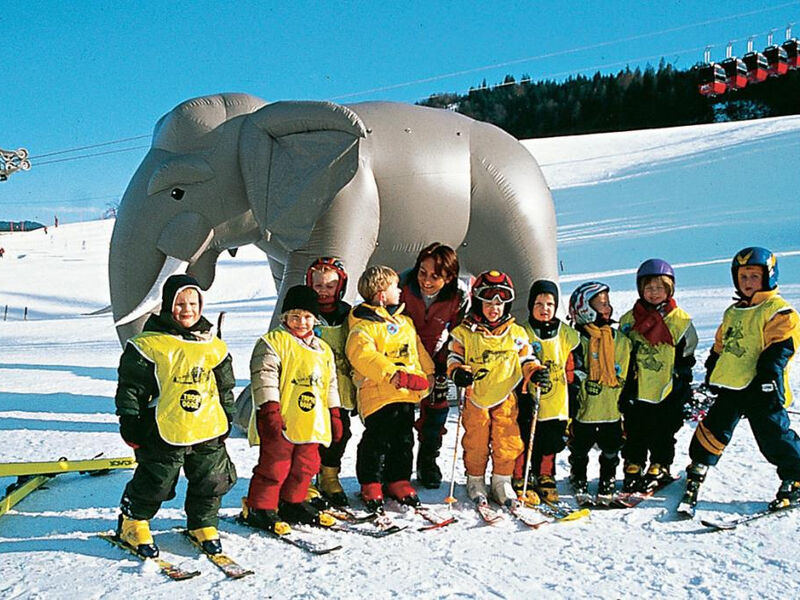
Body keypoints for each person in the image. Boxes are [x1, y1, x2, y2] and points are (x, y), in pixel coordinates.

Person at [114, 274, 237, 558]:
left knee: (212, 478)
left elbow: (224, 387)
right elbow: (131, 388)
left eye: (193, 303)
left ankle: (202, 523)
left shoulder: (213, 345)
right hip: (163, 428)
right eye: (180, 303)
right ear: (168, 305)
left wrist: (227, 416)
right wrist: (130, 421)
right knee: (156, 479)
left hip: (208, 427)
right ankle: (133, 522)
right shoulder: (148, 344)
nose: (187, 309)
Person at [681, 247, 800, 512]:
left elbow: (780, 349)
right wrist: (713, 370)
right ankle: (699, 463)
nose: (748, 283)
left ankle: (795, 475)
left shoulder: (779, 311)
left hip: (763, 389)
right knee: (713, 429)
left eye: (754, 277)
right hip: (732, 385)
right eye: (743, 277)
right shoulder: (733, 312)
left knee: (773, 436)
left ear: (768, 277)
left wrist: (768, 379)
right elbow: (720, 346)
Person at [241, 285, 343, 532]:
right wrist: (269, 409)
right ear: (284, 317)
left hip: (310, 421)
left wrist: (335, 412)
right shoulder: (273, 342)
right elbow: (265, 376)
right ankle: (261, 507)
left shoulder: (322, 349)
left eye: (307, 317)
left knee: (306, 465)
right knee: (275, 465)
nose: (301, 322)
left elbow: (330, 383)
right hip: (283, 418)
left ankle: (292, 502)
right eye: (295, 316)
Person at [448, 270, 546, 506]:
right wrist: (458, 372)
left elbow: (526, 359)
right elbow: (453, 357)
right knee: (476, 441)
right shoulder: (464, 332)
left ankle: (502, 481)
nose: (495, 308)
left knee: (507, 440)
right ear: (478, 301)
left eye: (501, 303)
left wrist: (535, 372)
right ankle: (476, 479)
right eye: (489, 301)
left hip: (505, 397)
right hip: (476, 397)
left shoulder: (516, 333)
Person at [346, 265, 435, 512]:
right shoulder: (363, 324)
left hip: (405, 393)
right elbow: (361, 354)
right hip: (378, 393)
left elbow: (417, 351)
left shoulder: (404, 322)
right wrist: (394, 375)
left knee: (404, 439)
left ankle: (398, 479)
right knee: (378, 439)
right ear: (381, 295)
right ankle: (371, 481)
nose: (400, 291)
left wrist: (428, 375)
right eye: (395, 287)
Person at [618, 259, 697, 493]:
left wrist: (682, 381)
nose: (654, 293)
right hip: (638, 385)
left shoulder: (680, 320)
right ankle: (634, 462)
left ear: (669, 290)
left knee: (663, 430)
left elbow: (687, 354)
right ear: (640, 289)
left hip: (667, 386)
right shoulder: (629, 320)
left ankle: (660, 463)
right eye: (649, 288)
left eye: (660, 288)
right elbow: (622, 352)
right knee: (635, 428)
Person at [400, 242, 469, 489]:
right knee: (400, 415)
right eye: (422, 272)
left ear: (449, 277)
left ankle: (427, 461)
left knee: (436, 412)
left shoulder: (458, 297)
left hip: (438, 359)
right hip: (404, 358)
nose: (426, 281)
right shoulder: (403, 286)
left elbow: (459, 332)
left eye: (435, 276)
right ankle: (398, 466)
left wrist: (447, 363)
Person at [513, 279, 580, 504]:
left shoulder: (565, 332)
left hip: (556, 398)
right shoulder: (522, 331)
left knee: (550, 439)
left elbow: (572, 363)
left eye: (550, 304)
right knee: (526, 437)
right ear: (531, 305)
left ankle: (545, 474)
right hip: (529, 396)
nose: (544, 309)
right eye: (539, 304)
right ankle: (521, 475)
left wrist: (574, 387)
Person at [567, 281, 632, 504]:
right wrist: (583, 379)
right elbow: (573, 369)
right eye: (601, 304)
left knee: (612, 447)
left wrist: (615, 382)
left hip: (610, 406)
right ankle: (579, 476)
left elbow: (623, 369)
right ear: (585, 308)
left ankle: (608, 478)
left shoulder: (619, 340)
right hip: (585, 408)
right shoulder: (576, 340)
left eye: (607, 304)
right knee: (580, 447)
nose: (607, 308)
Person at [305, 257, 356, 506]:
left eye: (329, 286)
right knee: (311, 433)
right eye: (318, 286)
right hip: (311, 385)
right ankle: (305, 478)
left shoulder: (347, 314)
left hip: (341, 385)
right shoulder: (304, 313)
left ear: (340, 287)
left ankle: (329, 474)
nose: (323, 292)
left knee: (340, 432)